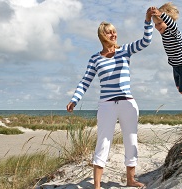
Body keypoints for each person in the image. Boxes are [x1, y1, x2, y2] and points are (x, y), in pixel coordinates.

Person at [66, 7, 154, 189]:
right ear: (102, 35)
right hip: (106, 104)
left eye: (114, 31)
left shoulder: (125, 50)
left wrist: (148, 20)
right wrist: (75, 99)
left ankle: (130, 180)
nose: (114, 34)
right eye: (109, 32)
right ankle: (97, 185)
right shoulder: (95, 59)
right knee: (103, 142)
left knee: (131, 141)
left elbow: (146, 41)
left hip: (128, 103)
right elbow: (85, 81)